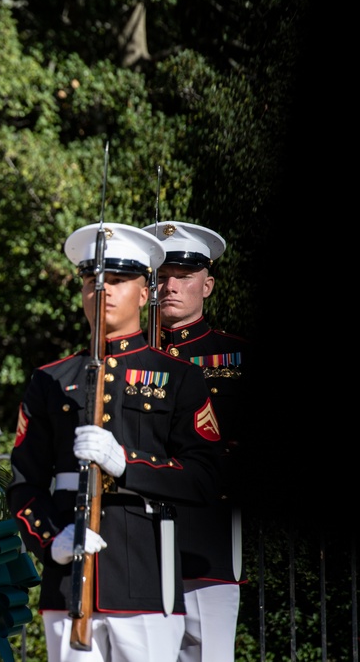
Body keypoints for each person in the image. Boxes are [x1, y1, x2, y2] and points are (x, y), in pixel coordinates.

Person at [6, 222, 223, 662]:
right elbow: (22, 483)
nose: (102, 290)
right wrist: (52, 539)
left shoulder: (180, 378)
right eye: (92, 281)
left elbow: (206, 476)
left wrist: (128, 463)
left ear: (145, 294)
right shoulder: (51, 380)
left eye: (119, 281)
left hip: (145, 580)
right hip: (68, 583)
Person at [142, 221, 250, 662]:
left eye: (183, 278)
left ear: (206, 285)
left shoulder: (238, 356)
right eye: (162, 277)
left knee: (209, 653)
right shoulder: (123, 358)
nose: (170, 287)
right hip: (139, 531)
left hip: (208, 529)